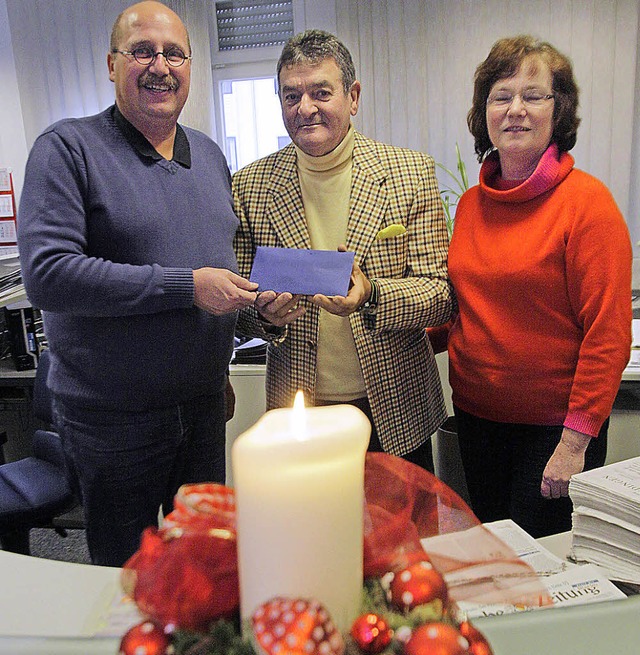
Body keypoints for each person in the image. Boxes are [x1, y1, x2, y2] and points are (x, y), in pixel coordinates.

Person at [17, 0, 258, 566]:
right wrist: (187, 286)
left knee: (203, 564)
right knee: (127, 579)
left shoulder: (211, 156)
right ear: (110, 63)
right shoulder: (67, 149)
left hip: (201, 410)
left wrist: (257, 310)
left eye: (174, 53)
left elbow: (211, 273)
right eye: (142, 51)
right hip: (112, 422)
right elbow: (49, 275)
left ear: (191, 68)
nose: (160, 66)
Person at [233, 30, 453, 469]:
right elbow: (238, 302)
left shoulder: (409, 172)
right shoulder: (248, 185)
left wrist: (372, 295)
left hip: (394, 406)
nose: (305, 108)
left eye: (321, 92)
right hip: (299, 409)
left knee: (399, 537)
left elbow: (441, 295)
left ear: (352, 97)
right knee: (311, 538)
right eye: (291, 95)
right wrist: (262, 313)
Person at [445, 35, 632, 537]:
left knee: (543, 576)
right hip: (476, 420)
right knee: (493, 561)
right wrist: (381, 305)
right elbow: (459, 308)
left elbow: (608, 335)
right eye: (501, 96)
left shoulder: (588, 205)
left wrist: (574, 446)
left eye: (533, 95)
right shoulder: (469, 206)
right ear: (484, 111)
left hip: (555, 433)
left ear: (559, 110)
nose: (515, 110)